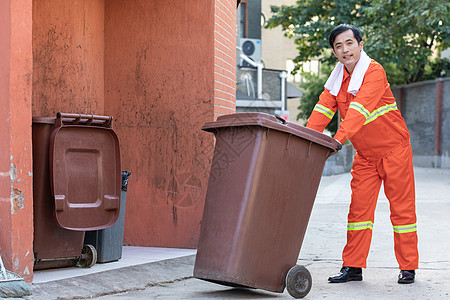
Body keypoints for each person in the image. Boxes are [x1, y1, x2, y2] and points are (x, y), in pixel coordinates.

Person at [306, 24, 418, 284]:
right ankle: (353, 267)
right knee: (358, 213)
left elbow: (359, 110)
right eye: (338, 46)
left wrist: (337, 140)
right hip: (366, 156)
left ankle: (408, 267)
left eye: (349, 43)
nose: (345, 50)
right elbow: (323, 109)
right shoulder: (337, 81)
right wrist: (307, 138)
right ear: (334, 52)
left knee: (402, 212)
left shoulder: (374, 72)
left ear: (360, 44)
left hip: (394, 151)